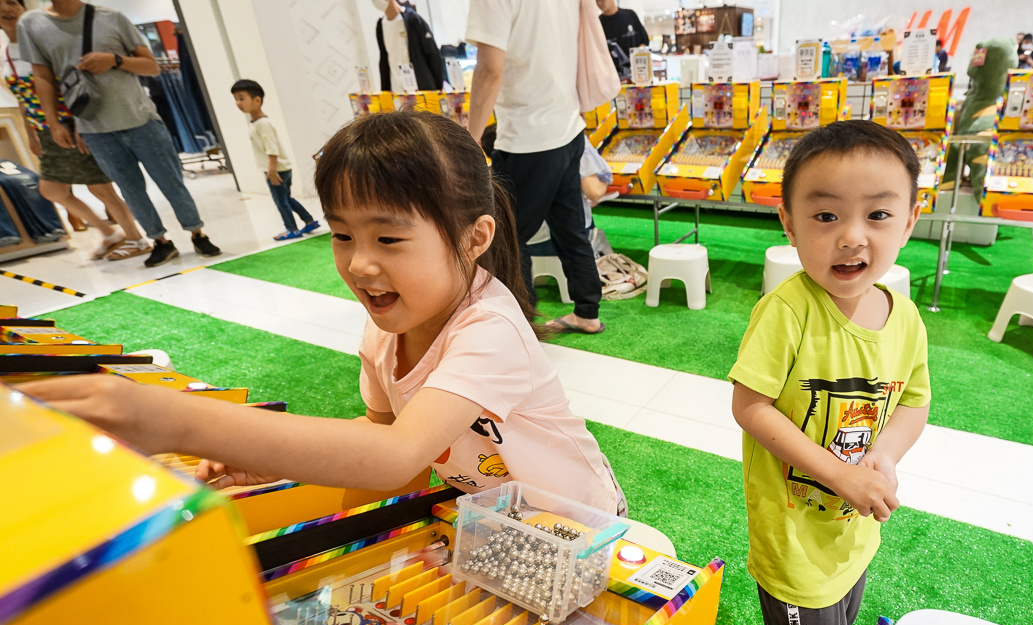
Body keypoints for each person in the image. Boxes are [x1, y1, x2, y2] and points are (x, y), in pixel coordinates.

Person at [18, 110, 628, 519]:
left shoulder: (489, 330)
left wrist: (173, 420)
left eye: (388, 240)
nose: (360, 264)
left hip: (579, 522)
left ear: (473, 239)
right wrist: (272, 456)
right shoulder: (386, 326)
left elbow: (397, 457)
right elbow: (381, 434)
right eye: (341, 236)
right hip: (489, 522)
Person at [729, 120, 931, 625]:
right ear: (788, 225)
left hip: (852, 528)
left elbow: (915, 401)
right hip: (794, 535)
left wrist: (886, 454)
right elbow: (750, 405)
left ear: (909, 220)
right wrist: (839, 472)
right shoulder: (787, 310)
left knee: (836, 620)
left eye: (877, 214)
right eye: (824, 217)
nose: (851, 238)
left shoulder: (903, 315)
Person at [19, 0, 222, 268]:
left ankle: (197, 233)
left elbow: (152, 66)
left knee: (171, 182)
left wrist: (115, 60)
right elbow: (42, 76)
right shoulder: (31, 24)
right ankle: (160, 241)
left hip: (141, 119)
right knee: (130, 190)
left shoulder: (111, 17)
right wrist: (54, 123)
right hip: (95, 128)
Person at [466, 0, 606, 335]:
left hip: (528, 138)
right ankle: (587, 312)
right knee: (570, 228)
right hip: (568, 129)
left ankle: (520, 325)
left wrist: (469, 140)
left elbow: (489, 70)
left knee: (507, 237)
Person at [0, 0, 148, 260]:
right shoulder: (5, 53)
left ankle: (136, 239)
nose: (6, 10)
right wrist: (31, 132)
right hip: (45, 129)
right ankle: (109, 233)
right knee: (51, 190)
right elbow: (23, 98)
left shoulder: (41, 40)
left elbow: (70, 85)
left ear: (25, 7)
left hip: (71, 123)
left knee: (100, 187)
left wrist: (79, 125)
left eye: (11, 2)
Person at [230, 79, 319, 242]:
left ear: (257, 100)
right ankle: (309, 221)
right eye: (236, 99)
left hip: (276, 170)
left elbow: (272, 149)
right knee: (287, 198)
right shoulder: (257, 123)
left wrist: (271, 170)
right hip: (280, 168)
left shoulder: (262, 124)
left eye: (241, 98)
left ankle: (291, 228)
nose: (238, 103)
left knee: (280, 201)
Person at [597, 0, 648, 73]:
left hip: (638, 70)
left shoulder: (630, 15)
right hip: (613, 73)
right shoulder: (599, 23)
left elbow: (644, 41)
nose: (600, 3)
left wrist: (637, 55)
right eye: (597, 1)